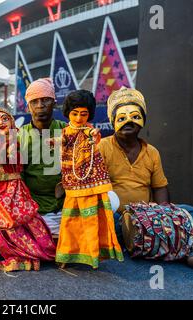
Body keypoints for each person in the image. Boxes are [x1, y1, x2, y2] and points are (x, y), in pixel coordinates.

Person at [99, 86, 193, 278]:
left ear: (143, 120)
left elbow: (160, 187)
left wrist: (163, 216)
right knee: (105, 218)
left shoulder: (152, 152)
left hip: (146, 215)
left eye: (134, 116)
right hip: (116, 219)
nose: (128, 121)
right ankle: (163, 243)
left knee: (191, 211)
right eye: (121, 117)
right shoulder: (102, 147)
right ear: (112, 121)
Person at [0, 108, 56, 272]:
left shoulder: (16, 140)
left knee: (29, 220)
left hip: (14, 188)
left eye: (5, 118)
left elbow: (17, 163)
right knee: (5, 225)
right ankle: (22, 255)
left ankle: (40, 252)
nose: (1, 122)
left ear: (11, 121)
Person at [56, 90, 123, 269]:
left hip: (92, 185)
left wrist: (94, 137)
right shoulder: (64, 132)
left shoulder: (91, 132)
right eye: (75, 113)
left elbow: (96, 139)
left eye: (83, 114)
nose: (79, 118)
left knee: (93, 221)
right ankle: (68, 255)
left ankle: (94, 255)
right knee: (71, 222)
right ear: (68, 113)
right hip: (72, 185)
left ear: (90, 114)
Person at [18, 78, 67, 235]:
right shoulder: (20, 135)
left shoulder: (67, 131)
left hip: (64, 205)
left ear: (54, 102)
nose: (40, 105)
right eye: (34, 101)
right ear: (28, 107)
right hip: (31, 207)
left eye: (45, 100)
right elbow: (18, 176)